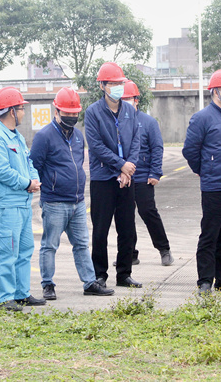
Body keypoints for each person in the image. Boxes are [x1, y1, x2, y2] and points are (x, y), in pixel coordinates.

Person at [29, 87, 115, 300]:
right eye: (66, 113)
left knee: (82, 244)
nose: (71, 117)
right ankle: (47, 284)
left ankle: (89, 282)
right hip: (55, 202)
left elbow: (78, 163)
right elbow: (35, 166)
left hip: (77, 201)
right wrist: (48, 188)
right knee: (49, 245)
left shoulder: (78, 136)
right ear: (56, 111)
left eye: (74, 114)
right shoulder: (44, 136)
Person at [182, 69, 221, 295]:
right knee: (210, 233)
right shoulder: (202, 118)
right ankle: (205, 280)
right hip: (215, 186)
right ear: (216, 92)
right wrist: (204, 170)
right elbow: (190, 150)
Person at [0, 87, 45, 311]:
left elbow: (29, 163)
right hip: (6, 205)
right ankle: (4, 297)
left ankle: (21, 293)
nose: (23, 113)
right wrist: (26, 183)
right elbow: (1, 171)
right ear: (11, 111)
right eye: (21, 108)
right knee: (7, 252)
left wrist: (34, 180)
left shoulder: (16, 136)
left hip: (22, 203)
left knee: (24, 250)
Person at [84, 62, 142, 288]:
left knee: (127, 228)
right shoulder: (93, 112)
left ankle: (124, 274)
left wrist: (130, 166)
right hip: (103, 178)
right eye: (113, 83)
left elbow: (136, 140)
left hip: (128, 178)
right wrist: (120, 165)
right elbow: (96, 146)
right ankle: (100, 274)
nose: (118, 87)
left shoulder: (129, 110)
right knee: (100, 229)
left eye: (120, 83)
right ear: (102, 86)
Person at [120, 80, 174, 267]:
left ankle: (164, 249)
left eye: (129, 98)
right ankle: (130, 254)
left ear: (136, 100)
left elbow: (157, 148)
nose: (126, 101)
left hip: (143, 176)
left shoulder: (148, 122)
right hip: (123, 177)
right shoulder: (116, 121)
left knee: (148, 212)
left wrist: (155, 173)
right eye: (123, 98)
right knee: (125, 217)